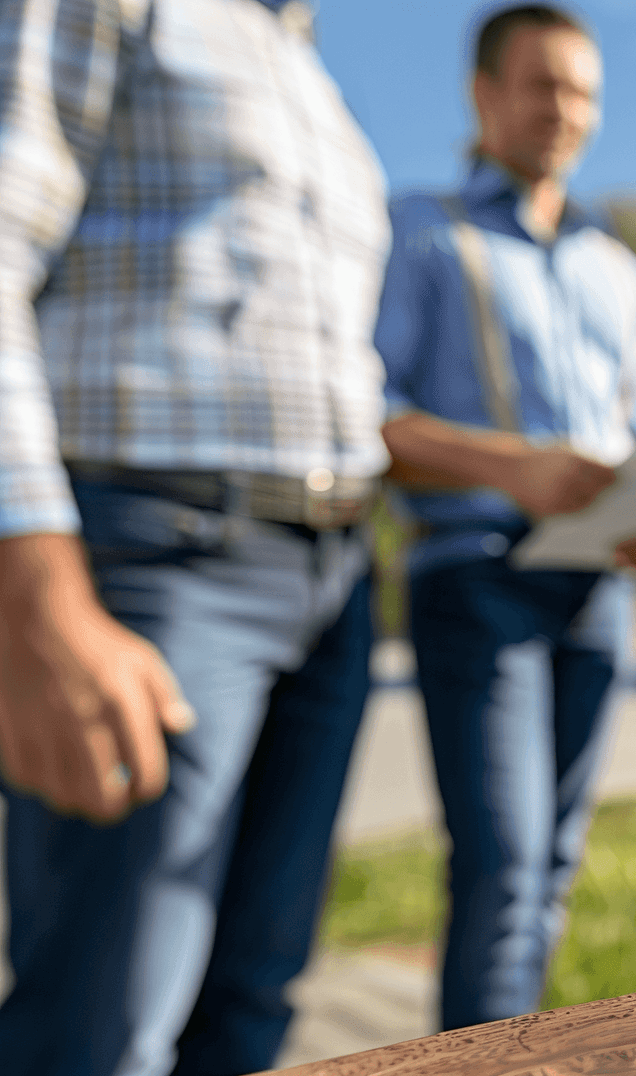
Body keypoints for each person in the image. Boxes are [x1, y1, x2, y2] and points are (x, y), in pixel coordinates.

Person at [0, 1, 390, 1073]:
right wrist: (33, 597)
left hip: (335, 573)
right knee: (105, 1016)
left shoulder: (314, 77)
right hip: (157, 552)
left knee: (255, 994)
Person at [375, 3, 636, 1030]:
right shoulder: (420, 232)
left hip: (594, 593)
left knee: (550, 867)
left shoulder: (621, 274)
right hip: (474, 578)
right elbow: (362, 415)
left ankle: (506, 1046)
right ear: (484, 95)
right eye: (543, 83)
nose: (565, 109)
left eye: (583, 90)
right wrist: (513, 466)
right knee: (503, 867)